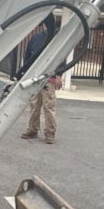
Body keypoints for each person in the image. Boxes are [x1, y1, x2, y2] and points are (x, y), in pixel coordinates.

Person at [20, 15, 60, 144]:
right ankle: (32, 129)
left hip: (49, 78)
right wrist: (25, 73)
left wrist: (59, 75)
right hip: (34, 78)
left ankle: (50, 133)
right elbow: (27, 57)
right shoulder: (35, 38)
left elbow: (61, 57)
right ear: (43, 25)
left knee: (49, 107)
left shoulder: (57, 39)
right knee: (34, 106)